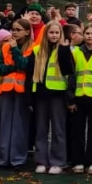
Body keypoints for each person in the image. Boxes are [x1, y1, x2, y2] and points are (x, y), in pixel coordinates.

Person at [29, 21, 76, 175]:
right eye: (51, 32)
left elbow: (68, 71)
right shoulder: (36, 50)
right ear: (46, 34)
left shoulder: (65, 50)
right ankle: (41, 161)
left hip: (58, 95)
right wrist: (30, 98)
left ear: (61, 34)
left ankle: (58, 161)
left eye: (57, 33)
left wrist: (64, 50)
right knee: (41, 129)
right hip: (40, 95)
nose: (54, 35)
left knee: (58, 129)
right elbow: (30, 75)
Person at [0, 18, 34, 171]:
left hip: (22, 91)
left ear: (27, 31)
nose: (14, 33)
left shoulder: (33, 48)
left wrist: (16, 51)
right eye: (13, 30)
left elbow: (25, 66)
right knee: (5, 125)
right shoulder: (5, 47)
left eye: (18, 30)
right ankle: (3, 159)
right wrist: (13, 67)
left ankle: (18, 160)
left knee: (19, 126)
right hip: (6, 90)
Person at [69, 23, 92, 174]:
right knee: (76, 130)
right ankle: (78, 160)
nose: (90, 36)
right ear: (83, 35)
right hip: (79, 97)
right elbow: (71, 76)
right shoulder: (75, 53)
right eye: (87, 33)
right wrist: (71, 99)